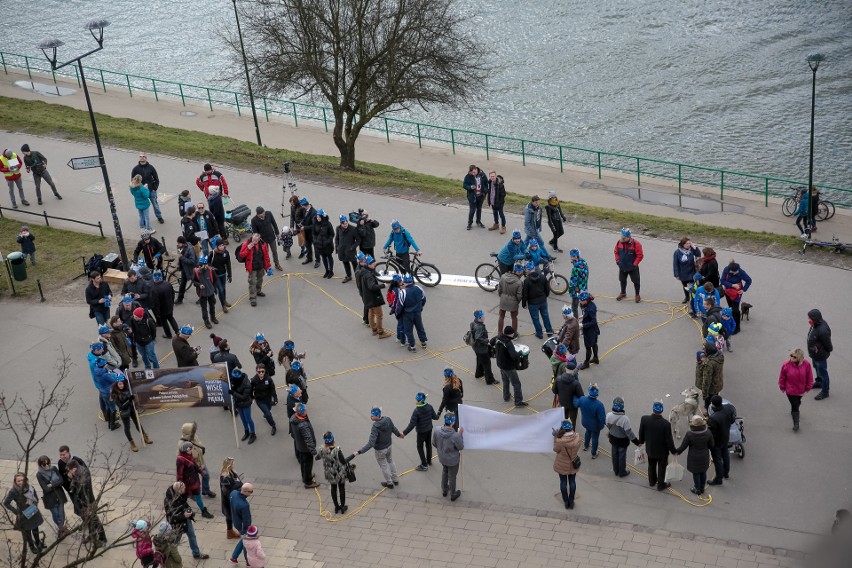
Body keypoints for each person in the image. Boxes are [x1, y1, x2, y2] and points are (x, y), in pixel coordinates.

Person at [353, 407, 404, 489]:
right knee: (391, 461)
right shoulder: (388, 419)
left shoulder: (375, 427)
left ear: (377, 416)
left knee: (384, 466)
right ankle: (395, 479)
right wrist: (399, 435)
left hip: (380, 450)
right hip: (389, 446)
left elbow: (371, 443)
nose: (371, 417)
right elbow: (393, 428)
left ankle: (389, 483)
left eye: (372, 416)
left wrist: (359, 452)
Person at [163, 481, 209, 560]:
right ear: (178, 490)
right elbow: (172, 517)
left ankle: (196, 553)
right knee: (175, 542)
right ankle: (170, 557)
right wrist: (184, 516)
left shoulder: (181, 494)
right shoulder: (169, 501)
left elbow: (184, 503)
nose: (185, 489)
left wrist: (189, 510)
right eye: (183, 488)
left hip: (186, 520)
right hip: (177, 525)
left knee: (192, 536)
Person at [637, 401, 677, 491]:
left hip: (650, 449)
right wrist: (673, 451)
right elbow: (668, 440)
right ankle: (661, 485)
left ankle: (652, 481)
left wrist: (641, 441)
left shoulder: (644, 419)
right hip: (662, 452)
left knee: (651, 465)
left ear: (653, 409)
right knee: (662, 468)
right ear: (662, 410)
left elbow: (641, 432)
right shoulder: (666, 424)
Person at [66, 459, 107, 545]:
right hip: (82, 501)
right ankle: (92, 535)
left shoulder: (82, 474)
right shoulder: (78, 472)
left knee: (94, 520)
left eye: (69, 470)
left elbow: (81, 488)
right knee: (87, 520)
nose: (69, 472)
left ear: (73, 469)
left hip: (86, 502)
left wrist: (72, 479)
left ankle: (102, 538)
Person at [4, 472, 45, 553]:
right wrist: (16, 512)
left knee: (35, 528)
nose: (21, 482)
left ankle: (38, 542)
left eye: (22, 480)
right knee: (27, 531)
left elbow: (35, 496)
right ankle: (31, 546)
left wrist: (35, 503)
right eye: (18, 481)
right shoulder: (13, 491)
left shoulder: (30, 487)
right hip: (24, 514)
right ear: (15, 482)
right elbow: (6, 503)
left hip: (33, 510)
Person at [316, 432, 355, 514]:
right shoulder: (337, 450)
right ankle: (342, 506)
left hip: (329, 473)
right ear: (333, 439)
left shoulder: (321, 449)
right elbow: (344, 461)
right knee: (341, 488)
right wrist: (353, 455)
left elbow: (317, 457)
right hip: (339, 472)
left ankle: (336, 507)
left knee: (333, 488)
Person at [111, 376, 152, 452]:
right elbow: (121, 407)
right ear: (116, 384)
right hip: (125, 412)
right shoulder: (115, 394)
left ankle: (144, 437)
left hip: (132, 410)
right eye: (119, 384)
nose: (121, 386)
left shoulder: (128, 388)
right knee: (127, 427)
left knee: (138, 423)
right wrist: (129, 400)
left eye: (122, 384)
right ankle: (132, 443)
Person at [675, 415, 714, 496]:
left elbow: (683, 447)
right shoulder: (708, 432)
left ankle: (697, 489)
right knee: (703, 472)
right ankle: (702, 488)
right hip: (704, 456)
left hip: (694, 458)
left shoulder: (690, 434)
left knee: (696, 473)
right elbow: (712, 446)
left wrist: (676, 452)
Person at [490, 326, 527, 406]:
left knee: (505, 381)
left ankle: (506, 396)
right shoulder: (508, 343)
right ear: (510, 334)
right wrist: (520, 353)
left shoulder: (499, 337)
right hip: (509, 366)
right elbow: (514, 356)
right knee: (516, 384)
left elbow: (491, 342)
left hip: (500, 364)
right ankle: (518, 401)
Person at [176, 441, 214, 519]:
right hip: (187, 483)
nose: (192, 450)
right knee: (187, 497)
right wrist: (180, 484)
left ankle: (199, 511)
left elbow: (194, 465)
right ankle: (200, 511)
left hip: (194, 480)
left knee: (194, 496)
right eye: (190, 449)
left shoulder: (189, 455)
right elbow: (179, 473)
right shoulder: (180, 459)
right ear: (186, 450)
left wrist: (201, 471)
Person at [779, 348, 814, 432]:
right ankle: (796, 423)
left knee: (797, 402)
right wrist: (782, 387)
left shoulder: (806, 364)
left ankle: (796, 407)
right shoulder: (786, 364)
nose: (791, 357)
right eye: (791, 355)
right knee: (795, 406)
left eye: (794, 356)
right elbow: (782, 377)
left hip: (801, 390)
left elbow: (810, 377)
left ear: (799, 358)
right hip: (790, 391)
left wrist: (808, 387)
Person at [178, 422, 215, 499]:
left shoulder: (194, 436)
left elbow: (199, 445)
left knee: (206, 475)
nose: (194, 432)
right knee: (193, 481)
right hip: (190, 466)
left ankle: (206, 490)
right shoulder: (182, 443)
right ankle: (192, 494)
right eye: (192, 431)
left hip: (200, 462)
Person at [433, 413, 465, 501]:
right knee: (452, 476)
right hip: (453, 460)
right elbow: (461, 447)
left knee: (445, 472)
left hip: (442, 458)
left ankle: (444, 490)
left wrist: (441, 449)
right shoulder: (455, 435)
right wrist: (460, 434)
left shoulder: (437, 430)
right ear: (453, 422)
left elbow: (434, 443)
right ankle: (453, 494)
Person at [605, 396, 640, 478]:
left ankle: (616, 470)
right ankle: (622, 472)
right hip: (622, 441)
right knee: (621, 456)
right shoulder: (625, 419)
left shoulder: (609, 415)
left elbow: (607, 424)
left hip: (613, 438)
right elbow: (629, 433)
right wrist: (637, 442)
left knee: (614, 454)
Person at [403, 392, 439, 471]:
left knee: (419, 446)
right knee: (428, 445)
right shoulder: (429, 407)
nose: (415, 400)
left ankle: (424, 464)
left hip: (421, 432)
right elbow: (435, 417)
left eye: (416, 399)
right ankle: (429, 461)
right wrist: (438, 413)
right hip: (429, 429)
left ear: (419, 401)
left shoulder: (417, 411)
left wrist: (404, 433)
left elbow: (412, 424)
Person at [552, 418, 581, 509]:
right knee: (572, 482)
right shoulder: (577, 437)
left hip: (562, 464)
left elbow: (556, 450)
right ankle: (571, 501)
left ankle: (566, 501)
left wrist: (555, 437)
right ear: (571, 428)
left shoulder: (559, 441)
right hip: (573, 463)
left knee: (563, 482)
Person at [236, 232, 272, 307]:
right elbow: (242, 255)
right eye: (253, 239)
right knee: (252, 282)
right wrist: (248, 249)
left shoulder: (263, 244)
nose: (253, 242)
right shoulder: (246, 244)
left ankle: (258, 291)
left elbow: (266, 256)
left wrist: (268, 266)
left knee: (260, 280)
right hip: (252, 267)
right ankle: (252, 298)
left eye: (255, 240)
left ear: (259, 240)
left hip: (260, 266)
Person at [36, 455, 68, 537]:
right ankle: (62, 528)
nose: (46, 466)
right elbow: (46, 489)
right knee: (55, 514)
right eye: (44, 464)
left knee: (61, 513)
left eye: (47, 463)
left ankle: (61, 528)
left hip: (59, 495)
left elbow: (61, 480)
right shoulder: (39, 474)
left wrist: (52, 484)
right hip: (50, 498)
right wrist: (55, 484)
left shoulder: (53, 468)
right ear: (40, 465)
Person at [707, 395, 736, 485]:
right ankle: (726, 473)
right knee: (725, 454)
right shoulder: (729, 408)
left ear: (713, 405)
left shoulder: (713, 418)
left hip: (716, 441)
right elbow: (732, 419)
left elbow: (711, 433)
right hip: (725, 437)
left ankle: (718, 479)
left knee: (717, 459)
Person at [290, 403, 320, 488]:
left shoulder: (294, 418)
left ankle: (306, 476)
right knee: (307, 464)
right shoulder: (303, 425)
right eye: (305, 410)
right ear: (302, 412)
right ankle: (308, 482)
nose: (307, 411)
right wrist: (313, 451)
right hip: (306, 449)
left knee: (303, 463)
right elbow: (308, 439)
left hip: (300, 446)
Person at [522, 260, 553, 340]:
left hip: (532, 303)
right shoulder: (542, 276)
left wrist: (524, 303)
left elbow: (525, 293)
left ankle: (539, 333)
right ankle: (549, 331)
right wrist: (545, 296)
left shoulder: (527, 280)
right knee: (545, 316)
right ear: (533, 268)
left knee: (535, 319)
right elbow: (547, 288)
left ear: (526, 270)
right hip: (543, 300)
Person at [806, 309, 833, 401]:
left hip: (820, 355)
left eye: (810, 317)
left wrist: (824, 351)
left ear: (814, 318)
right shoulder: (815, 324)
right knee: (816, 368)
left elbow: (828, 344)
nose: (808, 319)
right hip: (815, 354)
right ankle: (819, 382)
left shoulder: (823, 330)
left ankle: (825, 392)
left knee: (823, 372)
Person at [574, 383, 605, 458]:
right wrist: (603, 425)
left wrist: (573, 396)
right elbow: (602, 419)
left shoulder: (582, 399)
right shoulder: (599, 405)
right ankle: (594, 453)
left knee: (587, 432)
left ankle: (586, 446)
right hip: (595, 426)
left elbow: (576, 404)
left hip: (585, 422)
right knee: (595, 438)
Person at [131, 153, 163, 224]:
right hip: (141, 191)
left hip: (151, 190)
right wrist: (136, 190)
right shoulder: (135, 169)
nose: (142, 158)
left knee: (155, 204)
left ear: (146, 158)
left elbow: (156, 178)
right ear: (139, 158)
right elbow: (133, 180)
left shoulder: (151, 167)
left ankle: (159, 216)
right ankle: (144, 220)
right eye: (140, 156)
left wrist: (155, 188)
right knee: (142, 206)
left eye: (144, 156)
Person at [400, 274, 428, 351]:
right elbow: (423, 299)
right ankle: (423, 342)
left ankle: (412, 346)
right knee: (419, 326)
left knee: (408, 330)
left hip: (407, 314)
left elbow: (400, 305)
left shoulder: (403, 292)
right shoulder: (419, 288)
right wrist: (420, 308)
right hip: (417, 312)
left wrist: (398, 314)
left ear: (404, 282)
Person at [614, 228, 643, 302]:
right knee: (622, 280)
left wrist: (634, 264)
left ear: (629, 237)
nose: (622, 239)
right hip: (622, 266)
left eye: (624, 238)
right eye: (621, 237)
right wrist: (617, 260)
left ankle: (637, 295)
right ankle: (623, 293)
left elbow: (640, 255)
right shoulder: (619, 242)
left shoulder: (636, 244)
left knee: (636, 281)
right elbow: (616, 252)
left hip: (632, 268)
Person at [251, 206, 283, 271]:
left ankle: (277, 264)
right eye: (261, 215)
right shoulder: (254, 220)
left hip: (271, 237)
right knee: (265, 254)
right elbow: (255, 232)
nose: (263, 215)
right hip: (263, 240)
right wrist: (257, 241)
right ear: (258, 214)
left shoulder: (269, 213)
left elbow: (274, 223)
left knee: (274, 251)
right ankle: (267, 266)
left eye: (264, 213)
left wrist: (277, 233)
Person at [228, 483, 253, 564]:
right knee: (246, 542)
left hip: (236, 522)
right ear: (245, 491)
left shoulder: (233, 493)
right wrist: (247, 530)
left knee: (243, 539)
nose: (251, 493)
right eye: (250, 491)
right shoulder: (244, 505)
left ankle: (234, 557)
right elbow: (247, 520)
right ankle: (248, 562)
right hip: (243, 526)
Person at [469, 310, 496, 385]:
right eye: (483, 316)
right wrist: (487, 340)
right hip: (482, 349)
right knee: (487, 364)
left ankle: (479, 373)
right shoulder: (479, 327)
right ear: (479, 318)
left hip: (476, 348)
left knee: (479, 360)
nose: (484, 317)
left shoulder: (473, 323)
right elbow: (478, 338)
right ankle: (490, 379)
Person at [230, 369, 256, 444]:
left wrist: (233, 393)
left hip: (245, 403)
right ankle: (246, 431)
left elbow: (244, 397)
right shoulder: (233, 381)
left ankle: (253, 433)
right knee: (243, 419)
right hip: (238, 403)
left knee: (248, 419)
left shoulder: (247, 384)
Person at [696, 340, 724, 410]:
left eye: (704, 349)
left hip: (711, 388)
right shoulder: (720, 356)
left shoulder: (709, 364)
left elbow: (706, 380)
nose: (703, 350)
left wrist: (705, 394)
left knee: (708, 402)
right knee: (715, 396)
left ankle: (709, 412)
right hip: (718, 383)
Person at [192, 256, 219, 329]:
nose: (200, 266)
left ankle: (213, 318)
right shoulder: (196, 272)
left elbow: (216, 279)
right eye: (199, 265)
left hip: (210, 292)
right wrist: (199, 285)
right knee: (204, 308)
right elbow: (194, 281)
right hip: (202, 294)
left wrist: (213, 288)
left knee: (212, 305)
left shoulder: (211, 270)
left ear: (206, 264)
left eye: (202, 265)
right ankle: (206, 321)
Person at [149, 271, 178, 339]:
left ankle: (168, 335)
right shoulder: (168, 284)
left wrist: (157, 313)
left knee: (164, 323)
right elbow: (173, 294)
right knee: (171, 319)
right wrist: (172, 303)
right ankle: (177, 331)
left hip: (162, 310)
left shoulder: (154, 289)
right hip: (169, 306)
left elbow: (156, 303)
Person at [251, 364, 278, 436]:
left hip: (268, 399)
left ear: (265, 371)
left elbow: (272, 389)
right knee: (268, 414)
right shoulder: (254, 380)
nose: (261, 373)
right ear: (256, 371)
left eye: (262, 371)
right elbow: (250, 390)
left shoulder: (268, 379)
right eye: (259, 372)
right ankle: (273, 425)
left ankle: (266, 414)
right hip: (260, 400)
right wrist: (251, 397)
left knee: (268, 409)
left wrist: (275, 398)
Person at [219, 457, 243, 539]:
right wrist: (238, 486)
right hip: (229, 501)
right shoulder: (225, 477)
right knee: (230, 516)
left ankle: (230, 531)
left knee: (230, 516)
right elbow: (227, 491)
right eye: (233, 463)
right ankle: (230, 532)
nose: (234, 465)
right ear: (229, 465)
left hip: (233, 499)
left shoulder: (232, 472)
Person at [497, 263, 523, 334]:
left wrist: (502, 296)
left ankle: (499, 333)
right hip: (513, 302)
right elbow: (519, 295)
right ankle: (514, 333)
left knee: (501, 316)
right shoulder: (519, 282)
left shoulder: (503, 277)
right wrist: (517, 302)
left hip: (503, 300)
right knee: (514, 317)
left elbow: (499, 289)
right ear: (519, 272)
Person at [673, 237, 701, 304]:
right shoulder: (677, 252)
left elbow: (698, 254)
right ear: (683, 244)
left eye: (689, 243)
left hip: (692, 272)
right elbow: (675, 264)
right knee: (685, 286)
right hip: (683, 273)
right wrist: (676, 274)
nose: (688, 245)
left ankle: (693, 298)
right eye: (687, 243)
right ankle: (687, 297)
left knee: (692, 286)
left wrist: (694, 247)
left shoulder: (691, 250)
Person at [335, 214, 360, 283]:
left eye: (346, 223)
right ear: (340, 223)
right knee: (345, 263)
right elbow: (337, 238)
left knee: (355, 265)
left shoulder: (353, 229)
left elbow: (358, 240)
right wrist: (337, 247)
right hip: (342, 251)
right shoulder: (338, 228)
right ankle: (348, 276)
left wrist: (352, 247)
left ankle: (358, 278)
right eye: (343, 224)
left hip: (351, 251)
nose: (345, 225)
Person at [578, 292, 600, 369]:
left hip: (590, 331)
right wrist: (583, 316)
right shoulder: (589, 305)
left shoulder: (590, 308)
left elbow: (593, 321)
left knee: (588, 347)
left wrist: (583, 325)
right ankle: (595, 358)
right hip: (593, 330)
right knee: (594, 344)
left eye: (581, 300)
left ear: (586, 300)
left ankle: (586, 363)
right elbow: (587, 315)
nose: (580, 301)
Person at [463, 164, 488, 229]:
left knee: (479, 209)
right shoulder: (468, 176)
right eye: (472, 172)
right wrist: (470, 187)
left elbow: (486, 183)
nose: (473, 174)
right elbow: (464, 185)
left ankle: (478, 221)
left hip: (481, 196)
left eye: (474, 172)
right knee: (472, 210)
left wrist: (485, 191)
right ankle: (469, 223)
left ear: (476, 169)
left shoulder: (482, 174)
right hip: (472, 196)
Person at [174, 236, 197, 306]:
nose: (177, 244)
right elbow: (179, 256)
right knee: (182, 285)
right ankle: (180, 299)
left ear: (183, 244)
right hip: (184, 269)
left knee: (197, 284)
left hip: (191, 270)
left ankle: (204, 296)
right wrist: (178, 265)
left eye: (179, 243)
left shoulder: (190, 249)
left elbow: (193, 261)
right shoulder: (179, 247)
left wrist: (182, 258)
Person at [312, 209, 335, 277]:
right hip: (319, 245)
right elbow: (313, 233)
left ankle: (331, 271)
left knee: (329, 257)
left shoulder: (328, 224)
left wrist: (328, 241)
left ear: (322, 217)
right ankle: (326, 271)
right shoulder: (315, 223)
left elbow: (332, 234)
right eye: (317, 217)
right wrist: (315, 240)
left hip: (327, 245)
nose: (317, 218)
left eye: (319, 217)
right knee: (324, 258)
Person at [567, 249, 589, 316]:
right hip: (583, 287)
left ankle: (576, 321)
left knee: (574, 307)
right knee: (583, 304)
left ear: (575, 257)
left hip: (577, 290)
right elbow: (586, 275)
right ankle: (585, 318)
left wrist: (570, 289)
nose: (571, 258)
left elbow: (573, 281)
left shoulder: (575, 269)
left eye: (572, 257)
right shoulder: (584, 262)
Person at [297, 198, 317, 265]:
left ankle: (318, 261)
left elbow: (314, 226)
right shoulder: (305, 210)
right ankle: (309, 258)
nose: (301, 207)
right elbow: (305, 218)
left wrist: (304, 227)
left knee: (316, 248)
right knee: (308, 246)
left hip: (313, 234)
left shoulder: (314, 212)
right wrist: (301, 223)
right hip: (307, 233)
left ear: (305, 205)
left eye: (302, 205)